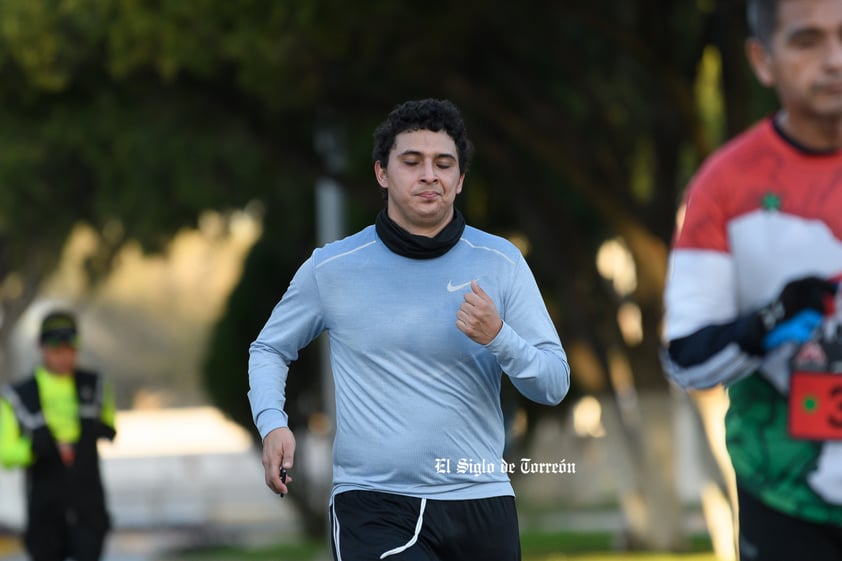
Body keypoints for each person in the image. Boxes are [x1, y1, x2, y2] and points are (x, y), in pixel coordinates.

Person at [248, 98, 570, 560]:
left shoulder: (501, 263)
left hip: (481, 502)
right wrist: (272, 422)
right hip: (373, 503)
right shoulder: (333, 268)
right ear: (382, 173)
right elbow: (269, 349)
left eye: (444, 164)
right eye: (411, 161)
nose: (429, 175)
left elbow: (554, 383)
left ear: (460, 181)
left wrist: (500, 337)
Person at [662, 0, 842, 559]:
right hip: (785, 498)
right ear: (763, 61)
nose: (835, 60)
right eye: (807, 40)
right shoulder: (724, 184)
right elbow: (687, 357)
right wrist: (775, 317)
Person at [0, 310, 116, 561]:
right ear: (41, 348)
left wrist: (103, 431)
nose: (64, 357)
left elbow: (109, 422)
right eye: (56, 350)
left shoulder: (95, 385)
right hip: (45, 510)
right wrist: (31, 449)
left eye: (70, 349)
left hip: (89, 507)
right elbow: (5, 454)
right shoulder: (17, 396)